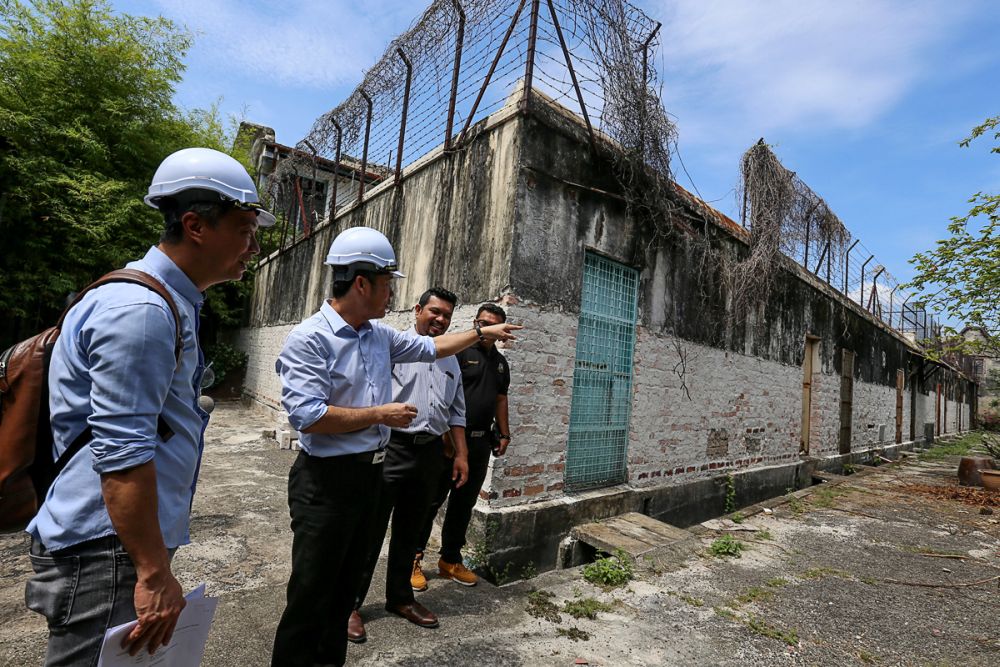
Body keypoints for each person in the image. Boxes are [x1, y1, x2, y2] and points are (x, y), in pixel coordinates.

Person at [24, 147, 275, 665]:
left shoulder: (168, 301)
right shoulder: (141, 310)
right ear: (195, 225)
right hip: (107, 549)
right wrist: (153, 571)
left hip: (120, 544)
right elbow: (121, 453)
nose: (253, 247)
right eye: (247, 229)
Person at [270, 228, 521, 667]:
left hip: (369, 474)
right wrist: (379, 414)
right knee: (312, 595)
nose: (392, 294)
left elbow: (433, 347)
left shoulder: (377, 336)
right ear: (362, 283)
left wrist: (482, 332)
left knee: (342, 589)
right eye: (388, 283)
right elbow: (307, 416)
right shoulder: (309, 338)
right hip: (326, 482)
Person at [349, 286, 468, 643]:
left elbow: (457, 411)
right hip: (391, 448)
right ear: (417, 310)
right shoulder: (392, 346)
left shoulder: (450, 358)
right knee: (370, 528)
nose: (440, 320)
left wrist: (461, 454)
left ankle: (400, 598)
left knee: (411, 530)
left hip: (430, 452)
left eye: (446, 315)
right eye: (434, 312)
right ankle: (350, 605)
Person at [413, 303, 511, 589]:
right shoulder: (457, 352)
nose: (484, 329)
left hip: (480, 443)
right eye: (481, 323)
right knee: (430, 501)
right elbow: (442, 394)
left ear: (500, 329)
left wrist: (504, 434)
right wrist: (445, 435)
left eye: (491, 325)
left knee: (464, 505)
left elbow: (500, 398)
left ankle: (450, 559)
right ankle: (414, 557)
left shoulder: (501, 364)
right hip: (449, 442)